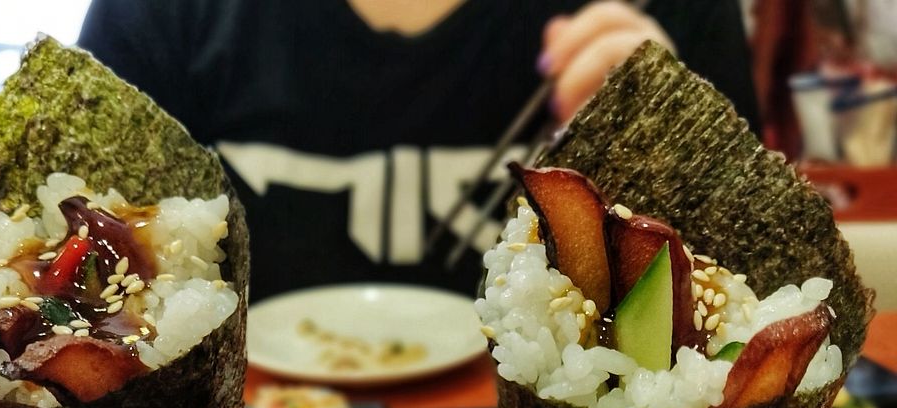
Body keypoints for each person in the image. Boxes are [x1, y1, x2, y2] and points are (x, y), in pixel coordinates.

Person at [79, 1, 759, 303]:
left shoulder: (669, 9)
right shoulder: (164, 13)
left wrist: (666, 143)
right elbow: (72, 281)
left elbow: (756, 304)